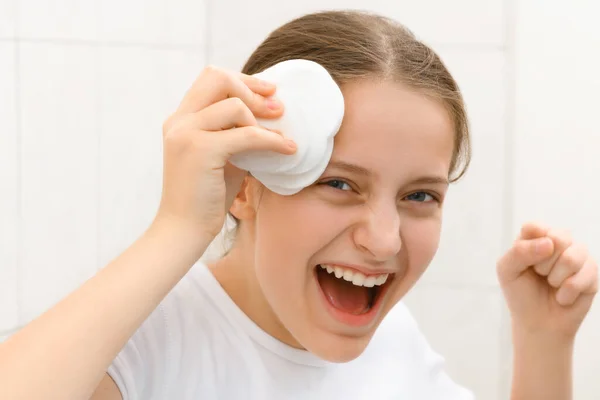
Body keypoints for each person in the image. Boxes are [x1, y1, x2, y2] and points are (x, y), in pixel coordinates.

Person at [0, 10, 597, 400]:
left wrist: (544, 340)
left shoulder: (396, 343)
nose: (385, 240)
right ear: (246, 182)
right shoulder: (148, 346)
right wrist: (178, 226)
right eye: (340, 183)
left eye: (420, 195)